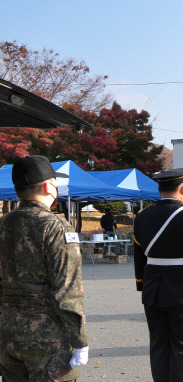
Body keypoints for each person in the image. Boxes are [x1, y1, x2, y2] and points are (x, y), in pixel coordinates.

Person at [0, 155, 89, 380]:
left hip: (7, 333)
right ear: (49, 186)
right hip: (48, 339)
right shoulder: (56, 227)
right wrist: (80, 341)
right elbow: (67, 291)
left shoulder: (3, 223)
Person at [133, 168, 183, 382]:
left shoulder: (143, 216)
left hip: (153, 290)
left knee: (158, 345)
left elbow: (139, 255)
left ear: (159, 189)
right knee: (182, 348)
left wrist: (142, 284)